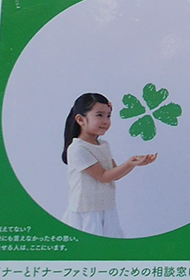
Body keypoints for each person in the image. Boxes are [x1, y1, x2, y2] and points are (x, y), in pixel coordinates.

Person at [61, 92, 157, 236]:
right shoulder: (78, 148)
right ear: (81, 120)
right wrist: (130, 162)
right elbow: (103, 176)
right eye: (99, 115)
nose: (106, 121)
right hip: (87, 211)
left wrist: (133, 164)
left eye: (108, 116)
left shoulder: (103, 144)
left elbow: (114, 174)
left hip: (106, 207)